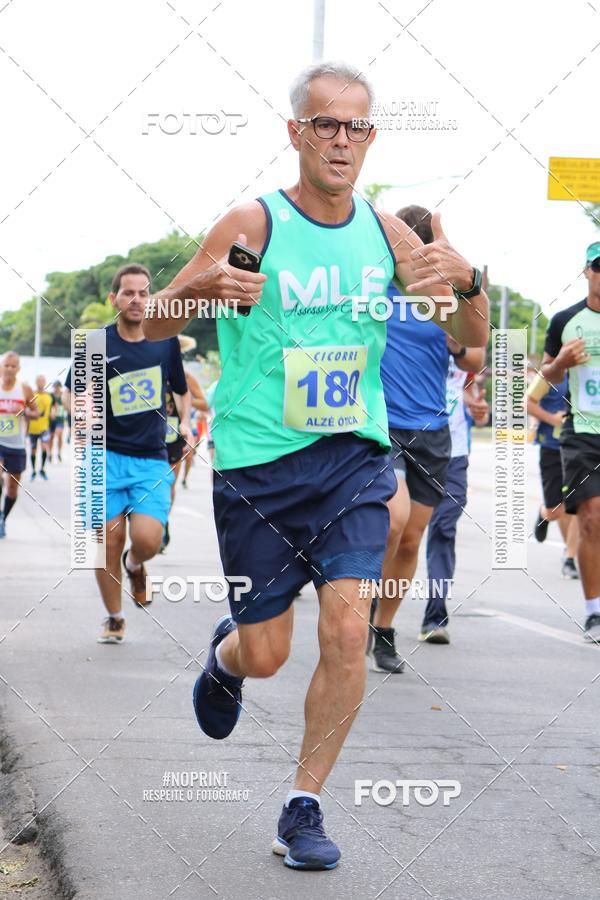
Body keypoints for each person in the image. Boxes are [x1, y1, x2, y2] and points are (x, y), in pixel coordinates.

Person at [144, 61, 489, 870]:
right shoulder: (252, 222)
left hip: (353, 460)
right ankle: (228, 655)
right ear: (295, 132)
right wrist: (198, 287)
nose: (342, 141)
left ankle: (305, 804)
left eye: (357, 127)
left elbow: (469, 337)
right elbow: (153, 320)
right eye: (326, 125)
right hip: (259, 468)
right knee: (266, 654)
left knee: (345, 627)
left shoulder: (383, 230)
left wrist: (470, 278)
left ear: (371, 138)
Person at [370, 205, 487, 671]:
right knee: (393, 521)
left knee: (409, 540)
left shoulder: (446, 297)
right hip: (382, 426)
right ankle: (357, 606)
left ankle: (383, 628)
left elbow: (475, 358)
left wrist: (454, 330)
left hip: (433, 432)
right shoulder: (373, 288)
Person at [64, 263, 192, 643]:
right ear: (113, 298)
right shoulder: (95, 343)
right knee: (107, 542)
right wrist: (82, 414)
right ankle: (115, 617)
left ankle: (136, 565)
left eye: (143, 293)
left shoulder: (164, 341)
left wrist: (184, 423)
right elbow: (73, 393)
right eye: (128, 293)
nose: (136, 300)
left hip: (151, 458)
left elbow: (181, 390)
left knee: (149, 539)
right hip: (103, 458)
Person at [541, 241, 600, 641]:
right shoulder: (566, 319)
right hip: (582, 432)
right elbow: (545, 376)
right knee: (593, 517)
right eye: (599, 265)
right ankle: (594, 611)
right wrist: (561, 362)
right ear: (586, 272)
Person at [421, 362, 490, 643]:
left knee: (443, 529)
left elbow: (468, 394)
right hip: (413, 445)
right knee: (397, 533)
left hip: (454, 456)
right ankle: (376, 615)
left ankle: (435, 617)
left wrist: (477, 409)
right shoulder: (407, 329)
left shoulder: (466, 345)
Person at [527, 372, 579, 577]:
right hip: (551, 447)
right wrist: (553, 419)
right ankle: (543, 513)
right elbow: (528, 403)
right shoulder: (550, 372)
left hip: (579, 447)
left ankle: (570, 557)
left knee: (577, 504)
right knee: (556, 510)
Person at [0, 352, 39, 538]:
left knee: (12, 489)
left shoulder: (24, 389)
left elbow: (36, 413)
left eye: (13, 366)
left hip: (16, 445)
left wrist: (23, 411)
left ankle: (3, 519)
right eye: (6, 365)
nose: (9, 369)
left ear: (18, 369)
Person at [28, 374, 53, 480]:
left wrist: (53, 413)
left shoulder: (49, 397)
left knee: (44, 447)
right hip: (33, 428)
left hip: (44, 427)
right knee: (33, 450)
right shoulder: (31, 395)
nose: (41, 383)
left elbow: (51, 409)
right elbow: (27, 410)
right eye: (39, 381)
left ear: (45, 382)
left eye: (43, 381)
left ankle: (42, 469)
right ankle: (33, 471)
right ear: (36, 382)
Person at [49, 380, 66, 462]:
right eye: (55, 387)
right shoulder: (50, 395)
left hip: (60, 419)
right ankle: (50, 453)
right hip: (51, 420)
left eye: (57, 387)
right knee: (51, 437)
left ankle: (59, 453)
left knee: (59, 436)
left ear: (60, 387)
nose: (56, 388)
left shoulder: (63, 395)